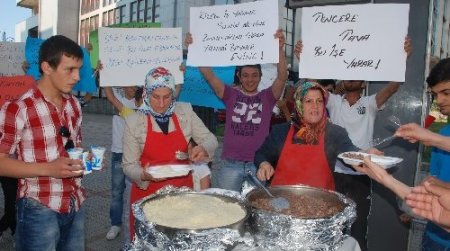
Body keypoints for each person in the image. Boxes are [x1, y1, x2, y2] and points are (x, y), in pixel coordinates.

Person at [294, 37, 412, 250]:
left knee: (358, 224)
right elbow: (313, 83)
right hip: (334, 171)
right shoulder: (334, 101)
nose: (351, 77)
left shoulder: (370, 103)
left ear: (364, 83)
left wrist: (403, 58)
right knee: (331, 220)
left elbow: (393, 87)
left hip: (361, 173)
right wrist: (303, 59)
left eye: (356, 74)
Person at [354, 57, 450, 250]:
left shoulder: (439, 137)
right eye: (435, 95)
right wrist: (382, 176)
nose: (439, 100)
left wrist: (430, 138)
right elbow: (433, 181)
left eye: (446, 93)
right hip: (436, 233)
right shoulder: (444, 132)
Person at [0, 35, 85, 250]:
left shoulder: (74, 104)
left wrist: (85, 159)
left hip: (75, 201)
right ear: (47, 67)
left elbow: (73, 147)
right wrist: (49, 169)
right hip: (38, 207)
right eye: (70, 69)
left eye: (79, 69)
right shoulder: (18, 108)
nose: (77, 77)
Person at [185, 29, 288, 192]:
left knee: (256, 209)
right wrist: (195, 49)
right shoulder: (230, 95)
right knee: (227, 210)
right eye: (245, 75)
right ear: (239, 76)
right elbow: (210, 76)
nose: (250, 79)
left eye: (254, 75)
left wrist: (280, 50)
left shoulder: (267, 97)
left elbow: (282, 76)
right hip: (230, 165)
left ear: (261, 77)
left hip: (259, 164)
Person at [122, 66, 218, 238]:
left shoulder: (185, 112)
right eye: (156, 97)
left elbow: (211, 140)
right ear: (146, 93)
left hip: (183, 198)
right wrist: (143, 174)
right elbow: (128, 166)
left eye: (167, 97)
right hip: (148, 197)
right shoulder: (134, 122)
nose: (161, 103)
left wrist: (202, 148)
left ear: (173, 94)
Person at [254, 82, 379, 189]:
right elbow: (261, 153)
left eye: (319, 101)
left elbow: (350, 152)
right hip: (281, 200)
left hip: (321, 203)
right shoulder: (281, 131)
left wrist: (365, 154)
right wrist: (264, 163)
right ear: (299, 105)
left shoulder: (335, 133)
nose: (315, 106)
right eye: (308, 101)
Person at [103, 86, 138, 241]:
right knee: (117, 191)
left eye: (134, 86)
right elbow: (109, 93)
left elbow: (111, 98)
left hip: (136, 154)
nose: (130, 88)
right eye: (128, 84)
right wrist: (102, 73)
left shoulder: (142, 104)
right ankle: (115, 224)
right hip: (118, 152)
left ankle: (135, 223)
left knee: (136, 192)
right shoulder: (118, 96)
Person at [0, 176, 17, 241]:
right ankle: (15, 233)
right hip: (8, 174)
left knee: (12, 205)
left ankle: (15, 233)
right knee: (11, 205)